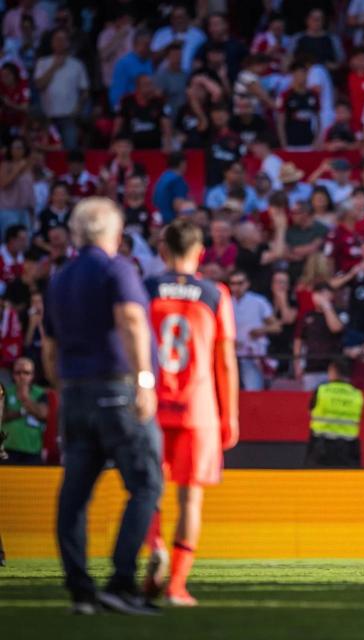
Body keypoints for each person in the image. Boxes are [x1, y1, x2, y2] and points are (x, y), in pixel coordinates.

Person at [43, 197, 162, 614]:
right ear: (115, 232)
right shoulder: (117, 270)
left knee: (74, 495)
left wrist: (67, 386)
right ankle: (122, 583)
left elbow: (49, 345)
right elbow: (131, 320)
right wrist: (144, 379)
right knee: (146, 484)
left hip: (74, 391)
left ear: (76, 233)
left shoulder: (59, 278)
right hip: (115, 387)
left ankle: (80, 590)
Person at [142, 219, 238, 607]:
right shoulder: (215, 293)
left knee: (147, 491)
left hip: (150, 406)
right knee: (190, 499)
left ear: (162, 251)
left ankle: (154, 547)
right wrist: (229, 416)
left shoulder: (145, 290)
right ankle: (178, 586)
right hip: (198, 410)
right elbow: (226, 362)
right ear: (200, 252)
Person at [305, 358, 364, 468]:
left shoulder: (322, 390)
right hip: (348, 449)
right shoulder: (357, 394)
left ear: (333, 371)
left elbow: (310, 411)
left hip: (322, 447)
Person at [0, 356, 47, 464]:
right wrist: (23, 412)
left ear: (32, 375)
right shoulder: (5, 392)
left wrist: (25, 398)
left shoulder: (40, 393)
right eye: (18, 372)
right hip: (8, 450)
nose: (22, 376)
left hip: (33, 450)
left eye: (26, 373)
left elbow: (43, 414)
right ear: (13, 375)